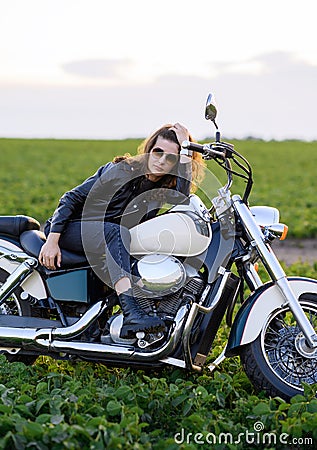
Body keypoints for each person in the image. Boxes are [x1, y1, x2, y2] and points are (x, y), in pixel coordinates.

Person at [39, 123, 204, 338]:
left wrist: (186, 152)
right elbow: (71, 198)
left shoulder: (163, 186)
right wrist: (51, 241)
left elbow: (182, 200)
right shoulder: (122, 171)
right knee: (117, 233)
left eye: (171, 157)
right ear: (149, 150)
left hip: (107, 237)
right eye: (158, 152)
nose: (162, 160)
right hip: (72, 227)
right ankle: (131, 313)